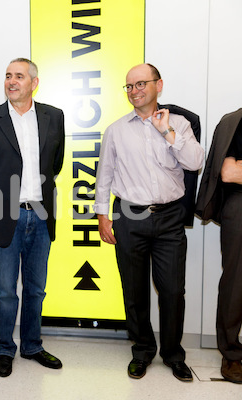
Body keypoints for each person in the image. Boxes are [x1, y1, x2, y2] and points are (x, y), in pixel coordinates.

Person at [95, 64, 204, 382]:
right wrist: (103, 215)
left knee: (172, 291)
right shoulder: (115, 130)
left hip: (169, 218)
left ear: (159, 85)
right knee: (134, 289)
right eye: (129, 86)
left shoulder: (180, 123)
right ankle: (142, 350)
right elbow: (105, 175)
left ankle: (172, 353)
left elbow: (195, 162)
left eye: (141, 84)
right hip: (129, 216)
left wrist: (166, 132)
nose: (134, 90)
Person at [0, 58, 65, 377]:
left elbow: (56, 163)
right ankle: (6, 348)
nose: (12, 81)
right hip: (5, 216)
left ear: (34, 83)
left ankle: (32, 345)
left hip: (41, 215)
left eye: (19, 76)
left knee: (36, 288)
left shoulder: (54, 116)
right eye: (8, 76)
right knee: (6, 290)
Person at [196, 108, 242, 384]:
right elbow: (229, 172)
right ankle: (232, 354)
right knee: (236, 283)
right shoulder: (235, 122)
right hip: (240, 207)